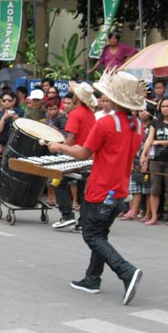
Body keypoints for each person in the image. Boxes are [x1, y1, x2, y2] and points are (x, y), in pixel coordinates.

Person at [47, 71, 146, 305]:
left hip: (101, 187)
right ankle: (92, 279)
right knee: (100, 234)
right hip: (120, 189)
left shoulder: (107, 122)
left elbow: (83, 152)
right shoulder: (138, 125)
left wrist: (59, 147)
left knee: (91, 235)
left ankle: (126, 271)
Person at [52, 81, 97, 229]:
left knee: (57, 181)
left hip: (76, 155)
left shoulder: (75, 114)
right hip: (89, 156)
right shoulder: (91, 114)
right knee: (83, 187)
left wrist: (60, 147)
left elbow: (71, 137)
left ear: (77, 97)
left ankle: (67, 215)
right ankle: (83, 222)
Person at [140, 98, 168, 227]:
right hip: (156, 159)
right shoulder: (156, 123)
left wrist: (161, 142)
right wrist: (144, 155)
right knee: (154, 189)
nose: (166, 108)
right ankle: (154, 216)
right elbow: (150, 140)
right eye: (163, 106)